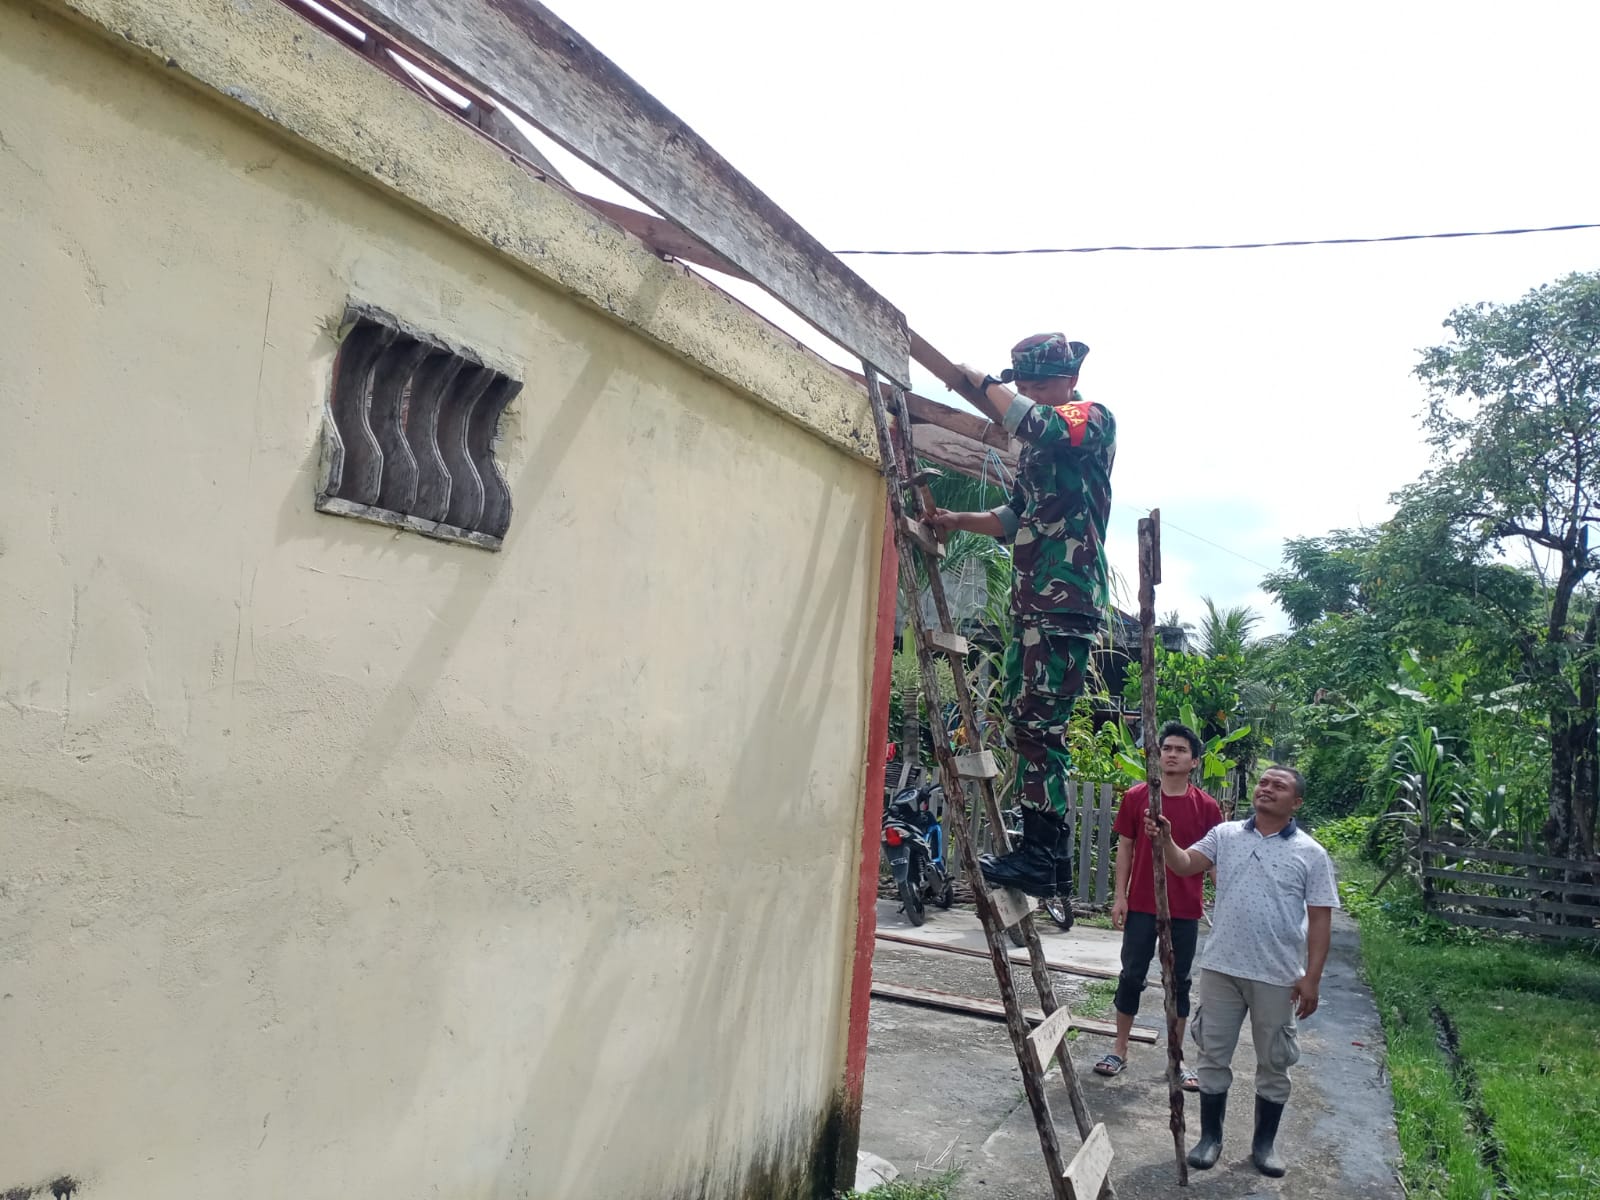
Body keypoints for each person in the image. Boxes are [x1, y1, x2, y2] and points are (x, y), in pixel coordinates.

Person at [927, 334, 1115, 897]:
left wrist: (978, 383)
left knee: (1039, 726)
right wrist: (956, 520)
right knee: (1025, 721)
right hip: (1034, 603)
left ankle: (1041, 855)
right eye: (1024, 384)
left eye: (1036, 384)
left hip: (1066, 600)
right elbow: (1017, 517)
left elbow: (1040, 423)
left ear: (1068, 381)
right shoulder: (1036, 449)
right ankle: (1048, 858)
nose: (1028, 392)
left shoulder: (1090, 418)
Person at [1144, 765, 1339, 1179]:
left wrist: (1312, 978)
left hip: (1277, 974)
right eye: (1263, 782)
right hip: (1221, 968)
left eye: (1278, 786)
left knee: (1274, 1060)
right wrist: (1166, 840)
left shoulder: (1311, 853)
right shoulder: (1226, 835)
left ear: (1296, 802)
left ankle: (1263, 1144)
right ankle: (1210, 1138)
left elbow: (1321, 920)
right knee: (1212, 1054)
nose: (1266, 789)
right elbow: (1183, 864)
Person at [1092, 721, 1223, 1084]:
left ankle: (1176, 1060)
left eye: (1181, 750)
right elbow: (1126, 848)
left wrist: (1225, 901)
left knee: (1178, 982)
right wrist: (1120, 896)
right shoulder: (1138, 797)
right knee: (1131, 975)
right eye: (1166, 748)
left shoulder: (1207, 808)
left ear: (1195, 761)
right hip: (1141, 906)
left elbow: (1213, 861)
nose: (1172, 755)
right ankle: (1119, 1048)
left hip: (1185, 908)